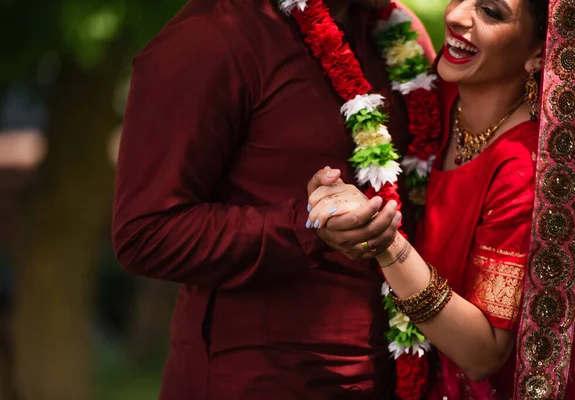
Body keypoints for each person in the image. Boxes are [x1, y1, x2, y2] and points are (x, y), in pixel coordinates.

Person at [111, 0, 435, 398]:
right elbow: (145, 234)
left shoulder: (399, 32)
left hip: (400, 377)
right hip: (260, 382)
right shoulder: (214, 34)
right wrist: (308, 225)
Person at [307, 0, 550, 397]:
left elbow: (483, 353)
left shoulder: (525, 168)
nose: (455, 16)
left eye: (490, 11)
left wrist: (386, 243)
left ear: (540, 51)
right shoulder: (439, 91)